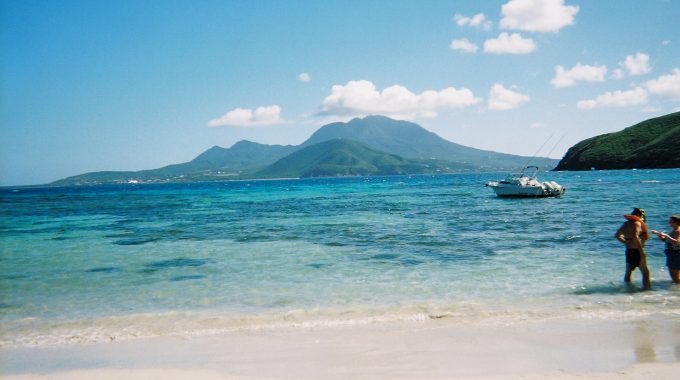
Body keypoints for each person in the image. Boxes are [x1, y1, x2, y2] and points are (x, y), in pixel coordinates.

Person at [615, 208, 651, 289]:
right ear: (639, 215)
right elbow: (636, 236)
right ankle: (647, 291)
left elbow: (617, 235)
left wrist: (625, 242)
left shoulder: (625, 224)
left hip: (629, 250)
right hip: (637, 250)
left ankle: (628, 290)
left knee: (628, 272)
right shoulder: (637, 223)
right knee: (645, 273)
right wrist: (642, 252)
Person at [651, 214, 680, 284]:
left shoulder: (678, 231)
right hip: (672, 254)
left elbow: (676, 242)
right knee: (675, 276)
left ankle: (677, 291)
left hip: (675, 255)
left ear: (677, 223)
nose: (669, 222)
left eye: (671, 221)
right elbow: (665, 240)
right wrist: (659, 235)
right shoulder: (674, 230)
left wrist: (666, 235)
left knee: (675, 277)